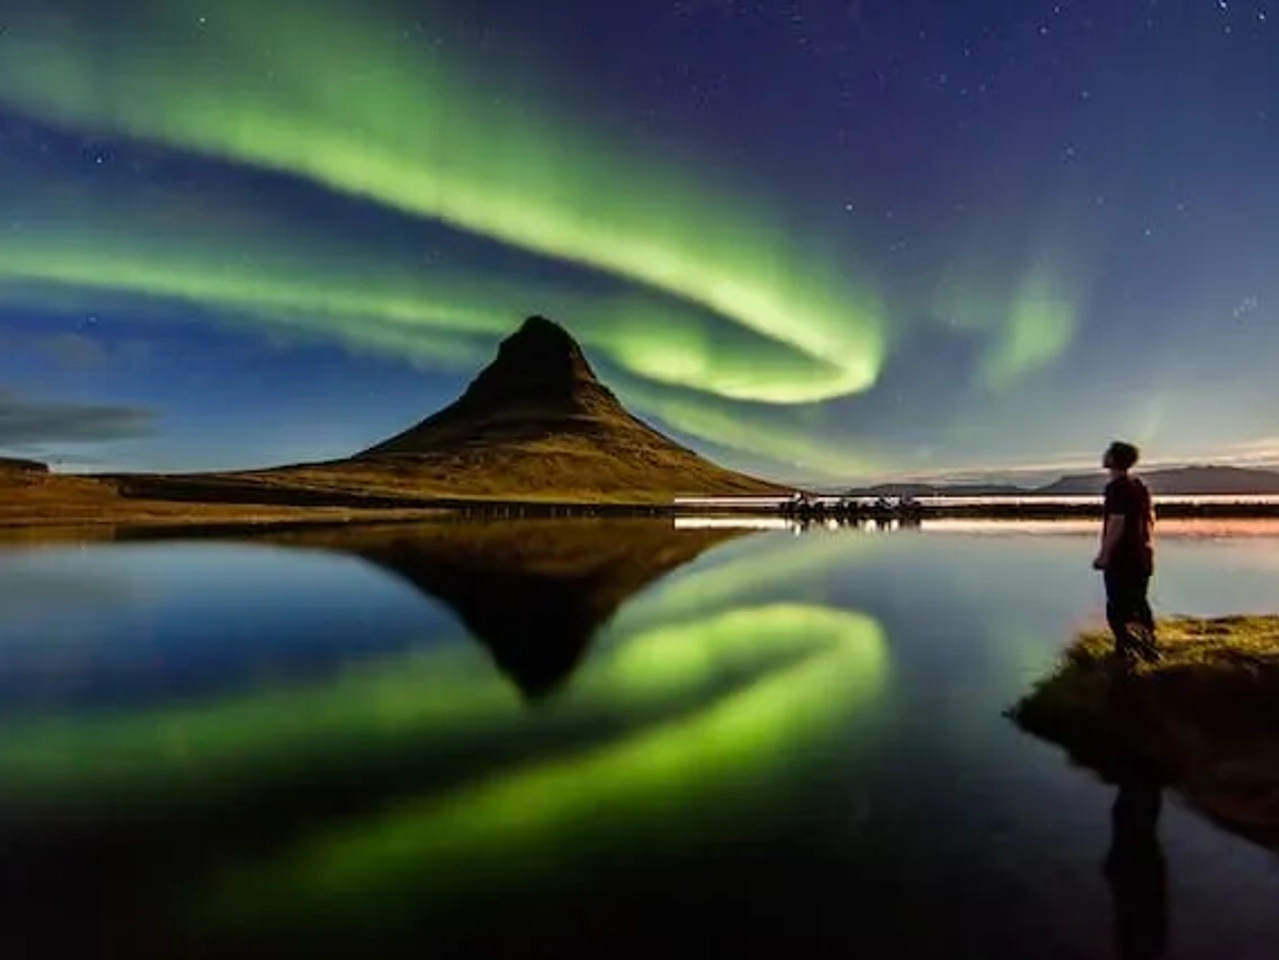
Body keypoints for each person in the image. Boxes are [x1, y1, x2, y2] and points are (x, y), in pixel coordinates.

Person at [1092, 441, 1158, 661]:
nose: (1104, 455)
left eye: (1108, 452)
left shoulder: (1116, 488)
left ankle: (1127, 652)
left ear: (1114, 459)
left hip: (1123, 558)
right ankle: (1147, 650)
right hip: (1142, 555)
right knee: (1139, 602)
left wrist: (1104, 554)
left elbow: (1116, 523)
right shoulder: (1139, 486)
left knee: (1118, 606)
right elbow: (1149, 520)